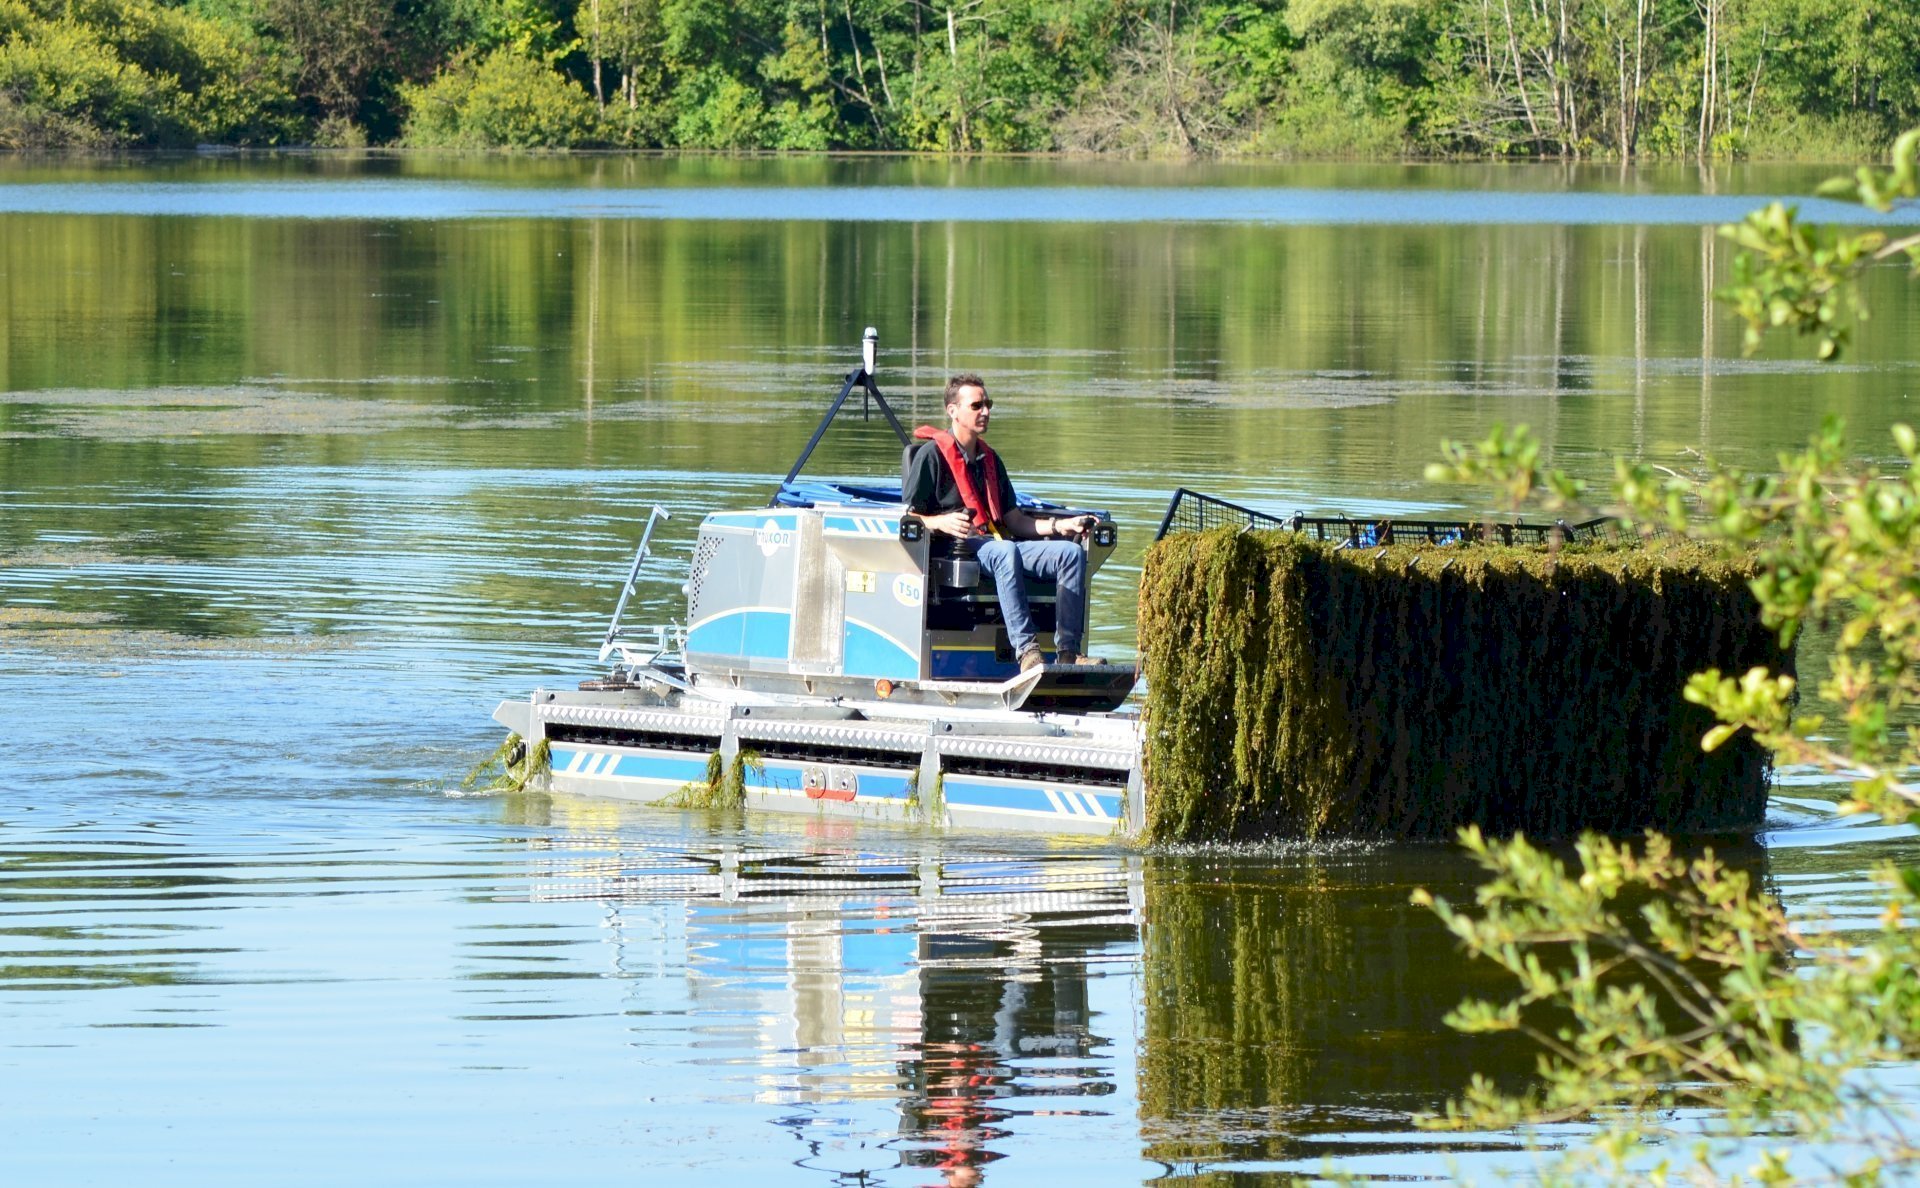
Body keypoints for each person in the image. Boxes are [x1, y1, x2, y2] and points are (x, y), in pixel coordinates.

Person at [902, 373, 1102, 672]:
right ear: (953, 410)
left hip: (998, 544)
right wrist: (942, 522)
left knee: (1069, 554)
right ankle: (1028, 653)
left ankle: (1068, 653)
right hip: (960, 551)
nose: (985, 411)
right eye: (977, 405)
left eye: (988, 404)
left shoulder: (991, 459)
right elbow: (909, 517)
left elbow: (1015, 521)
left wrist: (1062, 526)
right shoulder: (931, 456)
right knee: (1005, 551)